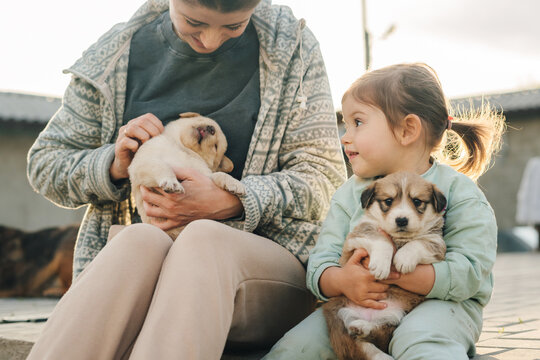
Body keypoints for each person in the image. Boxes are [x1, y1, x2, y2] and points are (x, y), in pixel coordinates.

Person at [26, 0, 346, 358]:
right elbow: (46, 164)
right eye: (194, 22)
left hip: (264, 274)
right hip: (145, 269)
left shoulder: (292, 47)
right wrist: (113, 164)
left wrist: (234, 201)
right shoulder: (114, 56)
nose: (210, 40)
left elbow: (325, 178)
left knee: (203, 239)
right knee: (138, 239)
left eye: (233, 27)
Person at [263, 63, 505, 359]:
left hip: (442, 305)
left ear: (407, 129)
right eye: (346, 124)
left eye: (358, 122)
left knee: (421, 342)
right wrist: (342, 281)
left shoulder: (460, 193)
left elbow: (471, 272)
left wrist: (397, 275)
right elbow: (321, 261)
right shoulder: (350, 193)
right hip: (355, 304)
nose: (345, 136)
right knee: (294, 350)